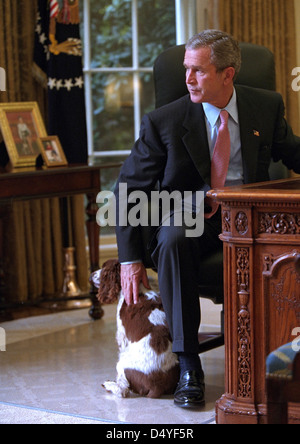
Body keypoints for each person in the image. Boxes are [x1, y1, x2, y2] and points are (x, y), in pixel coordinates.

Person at [114, 30, 300, 409]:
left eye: (198, 71)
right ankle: (188, 365)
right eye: (185, 70)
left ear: (227, 74)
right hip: (191, 216)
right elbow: (127, 190)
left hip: (249, 219)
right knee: (174, 236)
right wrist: (130, 260)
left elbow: (293, 153)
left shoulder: (265, 106)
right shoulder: (163, 122)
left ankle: (285, 355)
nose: (187, 79)